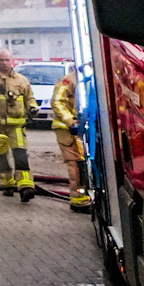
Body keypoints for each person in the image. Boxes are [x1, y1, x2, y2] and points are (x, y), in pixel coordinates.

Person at [0, 50, 36, 202]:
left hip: (17, 126)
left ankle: (25, 186)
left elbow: (29, 98)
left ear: (12, 60)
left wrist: (32, 107)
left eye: (6, 60)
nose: (4, 63)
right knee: (0, 156)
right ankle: (7, 184)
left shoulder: (22, 80)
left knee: (20, 155)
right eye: (1, 60)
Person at [52, 72, 93, 211]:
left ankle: (86, 196)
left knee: (85, 164)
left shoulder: (93, 77)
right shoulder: (69, 80)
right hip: (67, 131)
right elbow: (57, 101)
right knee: (76, 165)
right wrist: (70, 122)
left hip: (85, 130)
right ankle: (78, 200)